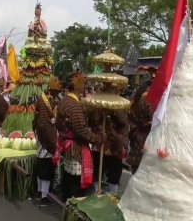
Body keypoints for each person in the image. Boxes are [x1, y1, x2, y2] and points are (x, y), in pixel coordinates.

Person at [54, 71, 105, 202]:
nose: (84, 86)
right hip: (75, 148)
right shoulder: (73, 105)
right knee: (76, 182)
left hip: (67, 145)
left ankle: (66, 205)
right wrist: (99, 138)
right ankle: (73, 209)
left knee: (68, 177)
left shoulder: (64, 101)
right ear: (77, 86)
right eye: (82, 83)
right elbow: (81, 131)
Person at [88, 82, 129, 193]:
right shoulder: (96, 103)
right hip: (100, 141)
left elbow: (123, 121)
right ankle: (96, 192)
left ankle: (113, 196)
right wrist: (101, 107)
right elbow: (93, 120)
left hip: (115, 144)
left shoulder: (121, 103)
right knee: (97, 170)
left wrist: (114, 107)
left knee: (115, 172)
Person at [33, 76, 62, 206]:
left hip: (43, 138)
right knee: (46, 168)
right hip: (46, 140)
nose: (57, 95)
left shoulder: (45, 100)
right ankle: (44, 195)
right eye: (56, 92)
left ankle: (40, 191)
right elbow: (43, 124)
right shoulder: (45, 102)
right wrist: (51, 142)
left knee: (42, 165)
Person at [126, 79, 153, 174]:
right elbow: (152, 117)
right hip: (145, 137)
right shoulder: (147, 100)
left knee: (136, 170)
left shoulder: (135, 100)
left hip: (135, 136)